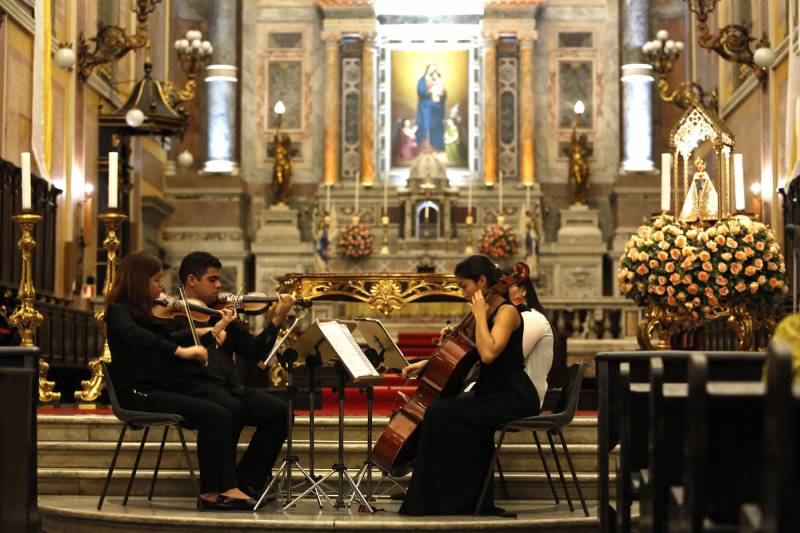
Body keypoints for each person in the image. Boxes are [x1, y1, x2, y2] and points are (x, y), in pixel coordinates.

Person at [104, 251, 255, 511]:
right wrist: (182, 352)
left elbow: (175, 337)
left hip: (158, 389)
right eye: (156, 279)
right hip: (137, 393)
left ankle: (219, 489)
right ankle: (215, 491)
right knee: (215, 413)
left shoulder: (147, 311)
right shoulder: (119, 311)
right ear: (139, 280)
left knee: (220, 411)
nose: (162, 285)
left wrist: (212, 331)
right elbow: (139, 338)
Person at [398, 255, 540, 515]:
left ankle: (443, 500)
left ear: (482, 281)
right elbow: (465, 353)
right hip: (489, 392)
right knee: (442, 410)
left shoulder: (506, 311)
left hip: (512, 396)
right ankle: (454, 498)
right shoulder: (486, 311)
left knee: (439, 413)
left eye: (464, 285)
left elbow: (488, 354)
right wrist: (424, 364)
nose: (461, 292)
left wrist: (478, 315)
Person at [168, 251, 291, 500]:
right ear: (191, 280)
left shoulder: (222, 312)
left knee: (280, 412)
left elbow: (254, 352)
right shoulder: (172, 315)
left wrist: (276, 321)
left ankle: (246, 483)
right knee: (227, 407)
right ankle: (214, 487)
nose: (219, 285)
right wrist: (211, 331)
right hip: (192, 388)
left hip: (228, 387)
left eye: (218, 280)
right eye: (212, 279)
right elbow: (170, 352)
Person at [508, 275, 553, 410]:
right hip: (511, 392)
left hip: (523, 398)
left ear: (523, 290)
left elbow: (511, 360)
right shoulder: (513, 318)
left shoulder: (531, 318)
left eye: (508, 287)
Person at [416, 64, 447, 152]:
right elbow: (421, 92)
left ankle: (436, 145)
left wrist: (441, 95)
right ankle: (424, 146)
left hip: (436, 107)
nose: (432, 71)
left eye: (434, 70)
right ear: (427, 69)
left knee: (436, 124)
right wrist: (431, 94)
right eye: (431, 69)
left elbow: (443, 92)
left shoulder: (436, 80)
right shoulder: (421, 81)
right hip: (425, 106)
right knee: (426, 124)